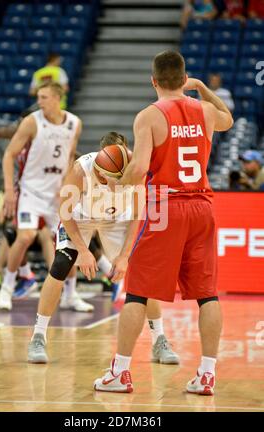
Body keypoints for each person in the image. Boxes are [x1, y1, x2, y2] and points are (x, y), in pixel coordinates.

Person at [94, 50, 233, 395]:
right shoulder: (205, 111)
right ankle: (207, 375)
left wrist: (117, 184)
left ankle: (120, 373)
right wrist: (201, 88)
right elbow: (228, 118)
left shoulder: (149, 116)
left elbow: (139, 169)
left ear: (153, 80)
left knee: (137, 294)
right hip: (201, 204)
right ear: (184, 79)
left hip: (164, 206)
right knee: (207, 296)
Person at [27, 132, 179, 366]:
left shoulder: (136, 168)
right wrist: (84, 251)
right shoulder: (80, 171)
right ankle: (38, 336)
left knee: (142, 273)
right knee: (61, 263)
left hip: (118, 219)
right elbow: (65, 214)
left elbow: (137, 216)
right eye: (112, 179)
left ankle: (159, 339)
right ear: (101, 170)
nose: (117, 184)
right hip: (82, 218)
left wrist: (125, 256)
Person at [0, 82, 94, 313]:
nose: (39, 101)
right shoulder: (32, 122)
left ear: (57, 98)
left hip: (56, 194)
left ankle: (70, 295)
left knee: (67, 243)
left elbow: (70, 156)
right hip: (30, 190)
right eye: (39, 97)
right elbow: (9, 155)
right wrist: (10, 190)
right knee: (25, 236)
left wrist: (66, 184)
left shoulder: (74, 123)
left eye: (44, 97)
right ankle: (7, 288)